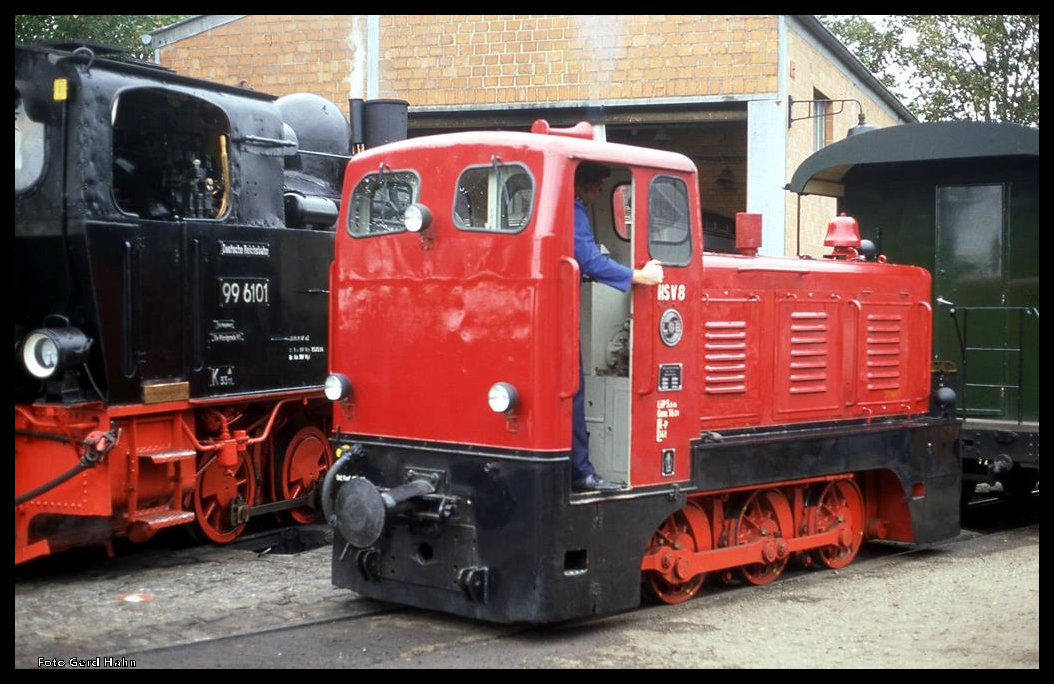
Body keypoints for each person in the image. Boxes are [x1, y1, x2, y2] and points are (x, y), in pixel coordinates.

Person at [571, 161, 664, 492]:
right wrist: (640, 276)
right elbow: (588, 259)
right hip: (558, 323)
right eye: (597, 189)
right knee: (572, 390)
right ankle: (580, 473)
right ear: (585, 187)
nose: (596, 196)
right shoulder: (573, 209)